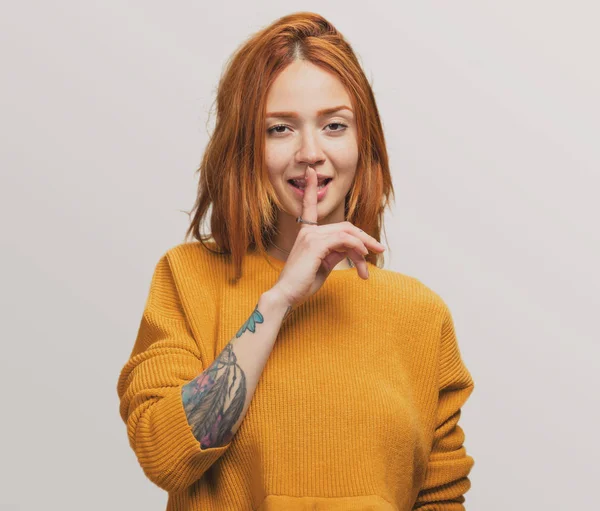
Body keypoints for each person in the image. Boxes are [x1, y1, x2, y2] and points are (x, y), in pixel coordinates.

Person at [116, 11, 475, 511]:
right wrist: (280, 298)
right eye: (280, 129)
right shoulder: (187, 278)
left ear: (361, 140)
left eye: (333, 125)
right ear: (246, 147)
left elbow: (440, 499)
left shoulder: (420, 313)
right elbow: (166, 454)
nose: (311, 152)